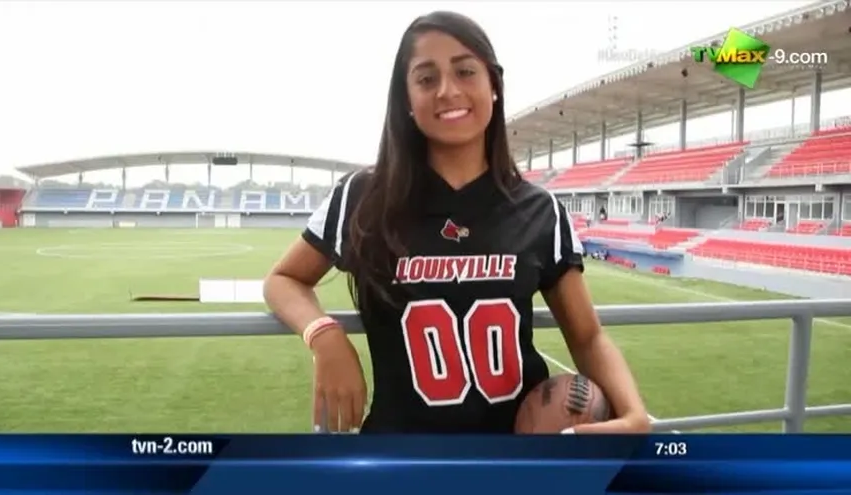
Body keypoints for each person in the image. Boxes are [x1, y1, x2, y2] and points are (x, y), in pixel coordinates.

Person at [264, 11, 650, 435]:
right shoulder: (363, 197)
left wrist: (634, 416)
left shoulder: (540, 210)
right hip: (402, 455)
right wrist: (324, 334)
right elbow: (284, 279)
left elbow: (587, 336)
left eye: (465, 71)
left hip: (510, 457)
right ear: (406, 99)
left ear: (493, 85)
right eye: (426, 79)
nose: (448, 91)